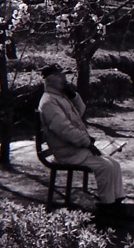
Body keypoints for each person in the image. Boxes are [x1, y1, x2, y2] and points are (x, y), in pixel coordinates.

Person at [37, 63, 127, 212]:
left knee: (114, 164)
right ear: (52, 79)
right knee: (105, 166)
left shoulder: (60, 97)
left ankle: (116, 201)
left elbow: (80, 111)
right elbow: (64, 130)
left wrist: (74, 96)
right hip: (67, 152)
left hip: (75, 148)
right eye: (62, 76)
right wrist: (86, 142)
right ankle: (107, 205)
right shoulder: (48, 102)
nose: (65, 79)